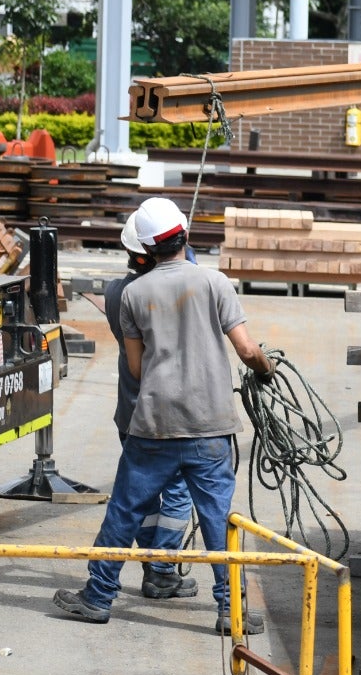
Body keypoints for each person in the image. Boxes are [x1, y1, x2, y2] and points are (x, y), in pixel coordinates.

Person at [55, 197, 275, 634]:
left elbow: (137, 368)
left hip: (153, 426)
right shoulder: (215, 282)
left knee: (124, 512)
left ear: (145, 249)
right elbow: (248, 350)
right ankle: (231, 611)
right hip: (210, 426)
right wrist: (265, 369)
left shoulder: (132, 293)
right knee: (218, 520)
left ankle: (98, 597)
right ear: (185, 236)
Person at [106, 209, 197, 602]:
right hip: (174, 408)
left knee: (142, 493)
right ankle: (161, 569)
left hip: (131, 408)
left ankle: (152, 567)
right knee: (179, 489)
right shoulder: (176, 288)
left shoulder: (116, 292)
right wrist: (187, 260)